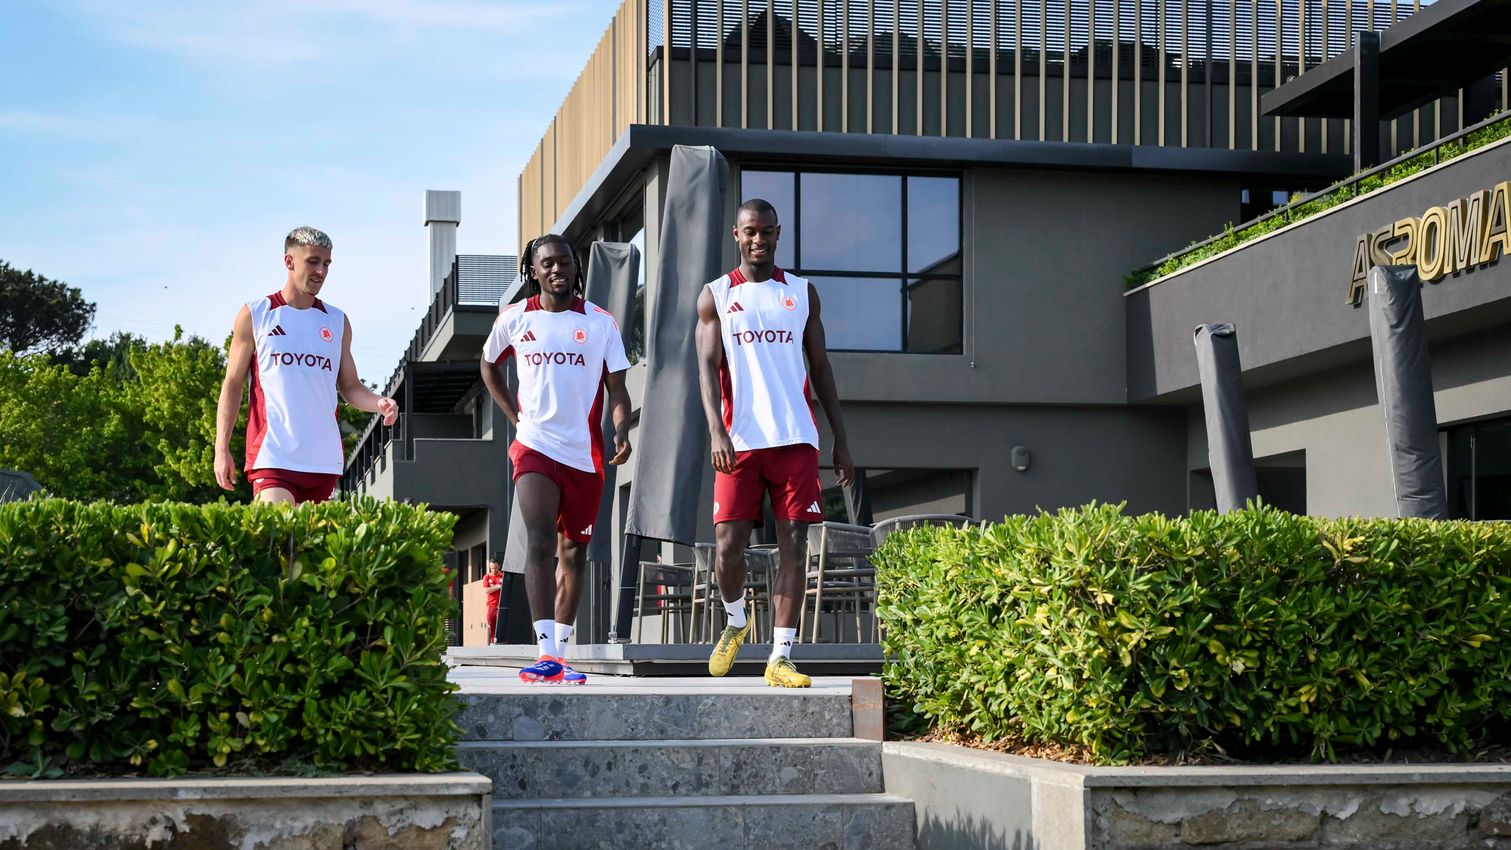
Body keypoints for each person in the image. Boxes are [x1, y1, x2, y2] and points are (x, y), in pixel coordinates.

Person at [697, 199, 854, 688]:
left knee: (795, 547)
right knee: (728, 548)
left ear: (778, 233)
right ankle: (736, 621)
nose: (758, 239)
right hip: (740, 441)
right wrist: (716, 431)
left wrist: (840, 439)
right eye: (750, 231)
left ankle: (780, 656)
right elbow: (705, 368)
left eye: (766, 231)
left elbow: (820, 367)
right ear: (736, 235)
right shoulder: (717, 295)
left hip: (795, 438)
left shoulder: (802, 293)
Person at [481, 234, 632, 685]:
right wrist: (514, 416)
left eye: (564, 261)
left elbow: (618, 391)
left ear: (575, 266)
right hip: (534, 445)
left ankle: (560, 656)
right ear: (534, 271)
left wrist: (621, 429)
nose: (556, 269)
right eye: (546, 263)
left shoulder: (600, 323)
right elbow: (488, 364)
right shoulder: (515, 318)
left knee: (574, 551)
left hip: (585, 455)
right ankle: (545, 652)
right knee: (540, 540)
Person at [214, 227, 397, 503]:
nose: (321, 271)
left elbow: (350, 387)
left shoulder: (337, 321)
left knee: (313, 534)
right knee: (277, 529)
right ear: (289, 261)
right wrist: (221, 448)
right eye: (313, 261)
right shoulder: (256, 314)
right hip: (274, 456)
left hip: (323, 462)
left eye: (326, 264)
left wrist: (379, 402)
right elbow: (232, 384)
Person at [483, 558, 504, 644]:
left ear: (499, 566)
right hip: (491, 605)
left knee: (501, 624)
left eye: (495, 568)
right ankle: (492, 641)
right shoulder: (487, 577)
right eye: (492, 568)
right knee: (491, 622)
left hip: (501, 605)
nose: (494, 570)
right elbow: (486, 590)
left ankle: (501, 641)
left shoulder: (502, 576)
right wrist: (498, 587)